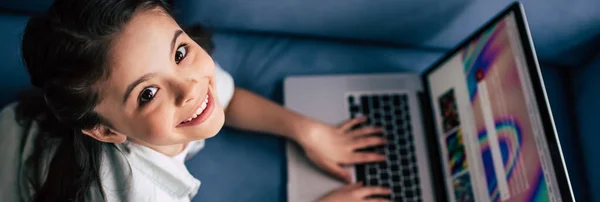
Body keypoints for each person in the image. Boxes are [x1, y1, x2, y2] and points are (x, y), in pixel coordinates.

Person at [0, 0, 393, 201]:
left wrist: (306, 130)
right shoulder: (134, 193)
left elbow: (230, 97)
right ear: (106, 130)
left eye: (180, 51)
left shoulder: (189, 75)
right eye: (148, 94)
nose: (190, 89)